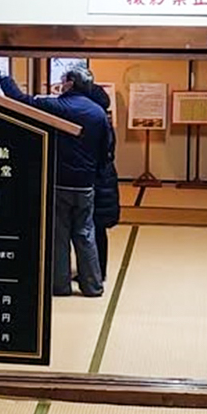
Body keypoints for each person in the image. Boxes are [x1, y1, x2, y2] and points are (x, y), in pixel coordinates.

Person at [0, 66, 110, 297]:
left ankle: (60, 286)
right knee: (86, 233)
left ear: (70, 83)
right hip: (86, 184)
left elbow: (20, 100)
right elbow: (107, 150)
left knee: (59, 235)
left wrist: (4, 80)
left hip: (60, 182)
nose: (61, 83)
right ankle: (94, 286)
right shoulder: (98, 113)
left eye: (63, 80)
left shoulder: (59, 107)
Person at [87, 83, 120, 279]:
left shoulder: (95, 122)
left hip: (98, 181)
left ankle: (97, 271)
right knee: (97, 230)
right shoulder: (103, 120)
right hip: (106, 180)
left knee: (95, 229)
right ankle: (98, 270)